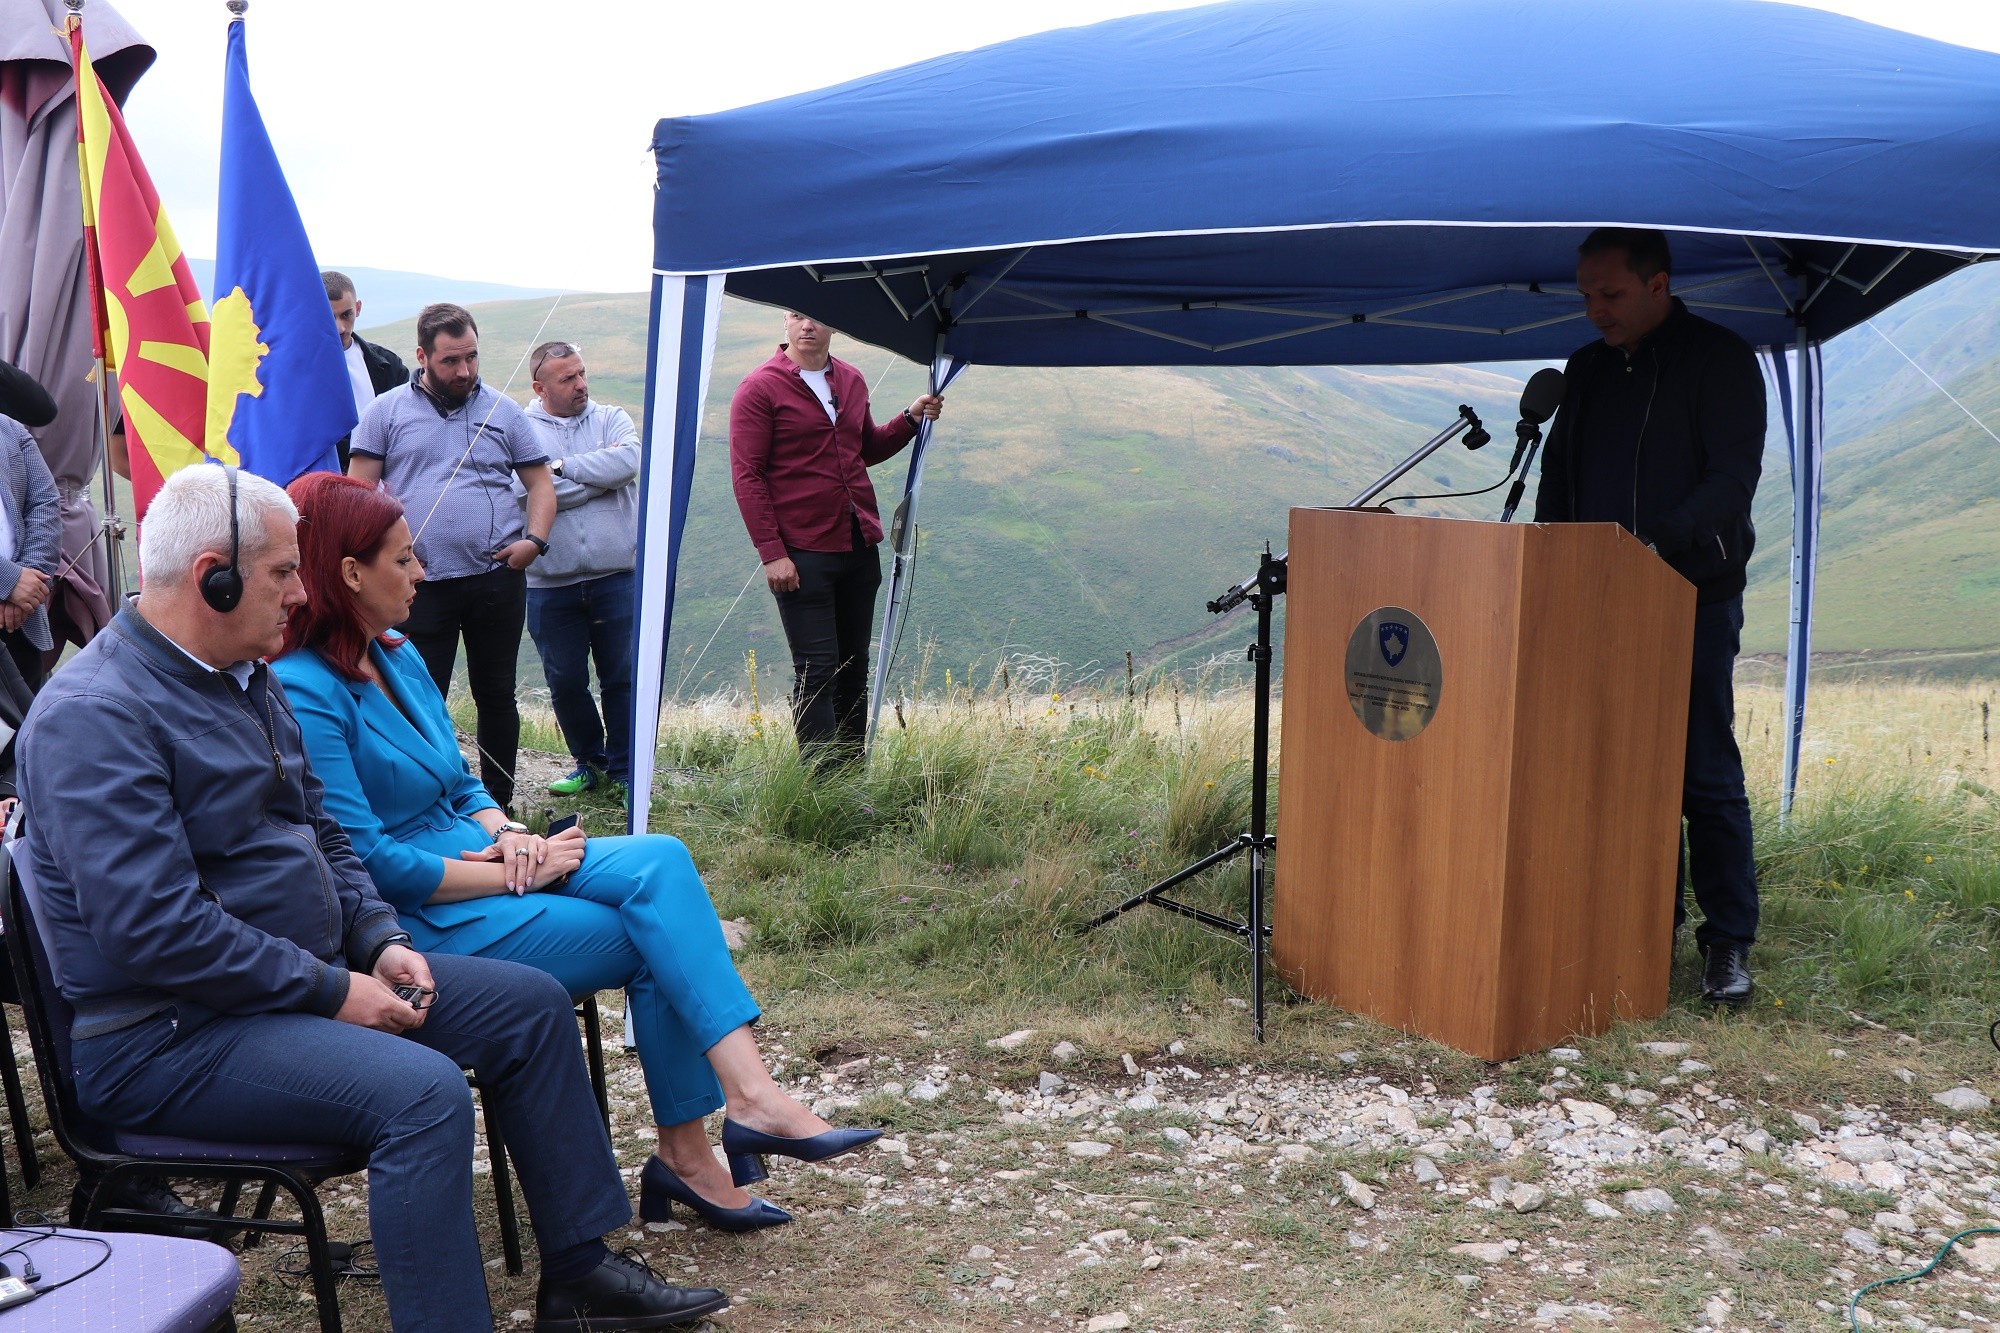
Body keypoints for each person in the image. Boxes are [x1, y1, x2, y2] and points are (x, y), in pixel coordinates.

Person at [16, 463, 726, 1332]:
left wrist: (377, 937)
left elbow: (326, 833)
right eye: (283, 572)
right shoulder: (95, 715)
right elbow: (154, 932)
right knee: (423, 1095)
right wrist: (331, 990)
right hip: (168, 1036)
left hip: (288, 990)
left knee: (531, 1008)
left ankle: (579, 1276)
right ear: (216, 576)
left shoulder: (245, 676)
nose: (301, 591)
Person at [272, 472, 880, 1235]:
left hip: (491, 866)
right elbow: (373, 866)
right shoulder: (304, 688)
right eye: (404, 559)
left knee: (663, 863)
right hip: (420, 924)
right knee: (660, 936)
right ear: (351, 572)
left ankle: (744, 1108)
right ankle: (698, 1147)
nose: (422, 573)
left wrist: (510, 834)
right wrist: (511, 867)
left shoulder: (394, 655)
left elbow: (462, 783)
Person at [1533, 226, 1765, 1005]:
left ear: (1658, 284)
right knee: (1618, 766)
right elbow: (1560, 476)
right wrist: (1552, 558)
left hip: (1692, 597)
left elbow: (1733, 480)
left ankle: (1728, 943)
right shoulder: (1586, 370)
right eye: (1586, 296)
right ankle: (1636, 924)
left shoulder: (1721, 358)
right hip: (1598, 598)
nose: (1595, 310)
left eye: (1612, 294)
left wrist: (1649, 546)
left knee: (1701, 771)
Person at [349, 302, 554, 812]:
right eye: (450, 361)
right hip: (417, 587)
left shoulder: (505, 413)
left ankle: (500, 804)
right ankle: (427, 804)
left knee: (496, 693)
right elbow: (356, 492)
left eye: (471, 358)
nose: (464, 371)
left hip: (496, 579)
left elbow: (540, 483)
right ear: (421, 356)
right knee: (419, 697)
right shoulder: (386, 411)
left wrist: (535, 541)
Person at [729, 310, 942, 765]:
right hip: (801, 553)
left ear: (833, 326)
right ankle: (820, 788)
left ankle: (851, 779)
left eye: (819, 317)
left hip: (858, 543)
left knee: (853, 669)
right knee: (816, 671)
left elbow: (865, 449)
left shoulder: (851, 379)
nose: (808, 325)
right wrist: (772, 554)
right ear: (784, 325)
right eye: (797, 315)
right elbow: (747, 477)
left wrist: (910, 417)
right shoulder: (759, 388)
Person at [515, 341, 639, 797]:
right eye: (567, 379)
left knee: (622, 678)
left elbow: (629, 462)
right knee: (565, 680)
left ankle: (627, 771)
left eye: (581, 373)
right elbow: (522, 493)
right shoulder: (521, 429)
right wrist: (597, 481)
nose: (581, 384)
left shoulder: (612, 417)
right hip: (550, 583)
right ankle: (590, 762)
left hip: (616, 576)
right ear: (540, 386)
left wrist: (558, 470)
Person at [0, 396, 61, 689]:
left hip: (20, 624)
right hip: (16, 596)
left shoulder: (8, 429)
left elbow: (45, 503)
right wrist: (10, 581)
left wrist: (28, 579)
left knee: (24, 731)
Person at [323, 270, 410, 471]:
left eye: (347, 315)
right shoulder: (296, 372)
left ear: (358, 308)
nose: (340, 327)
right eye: (330, 317)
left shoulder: (389, 366)